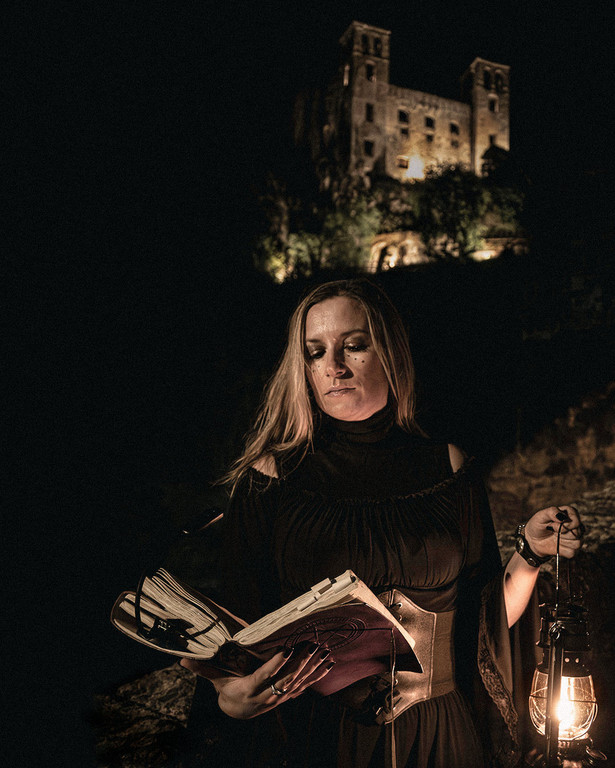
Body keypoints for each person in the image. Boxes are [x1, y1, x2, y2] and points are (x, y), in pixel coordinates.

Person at [180, 279, 585, 768]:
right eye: (315, 353)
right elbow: (236, 633)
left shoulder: (448, 466)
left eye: (354, 345)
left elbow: (483, 623)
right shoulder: (270, 480)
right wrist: (229, 696)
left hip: (440, 735)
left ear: (390, 353)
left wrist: (530, 555)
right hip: (316, 738)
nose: (333, 366)